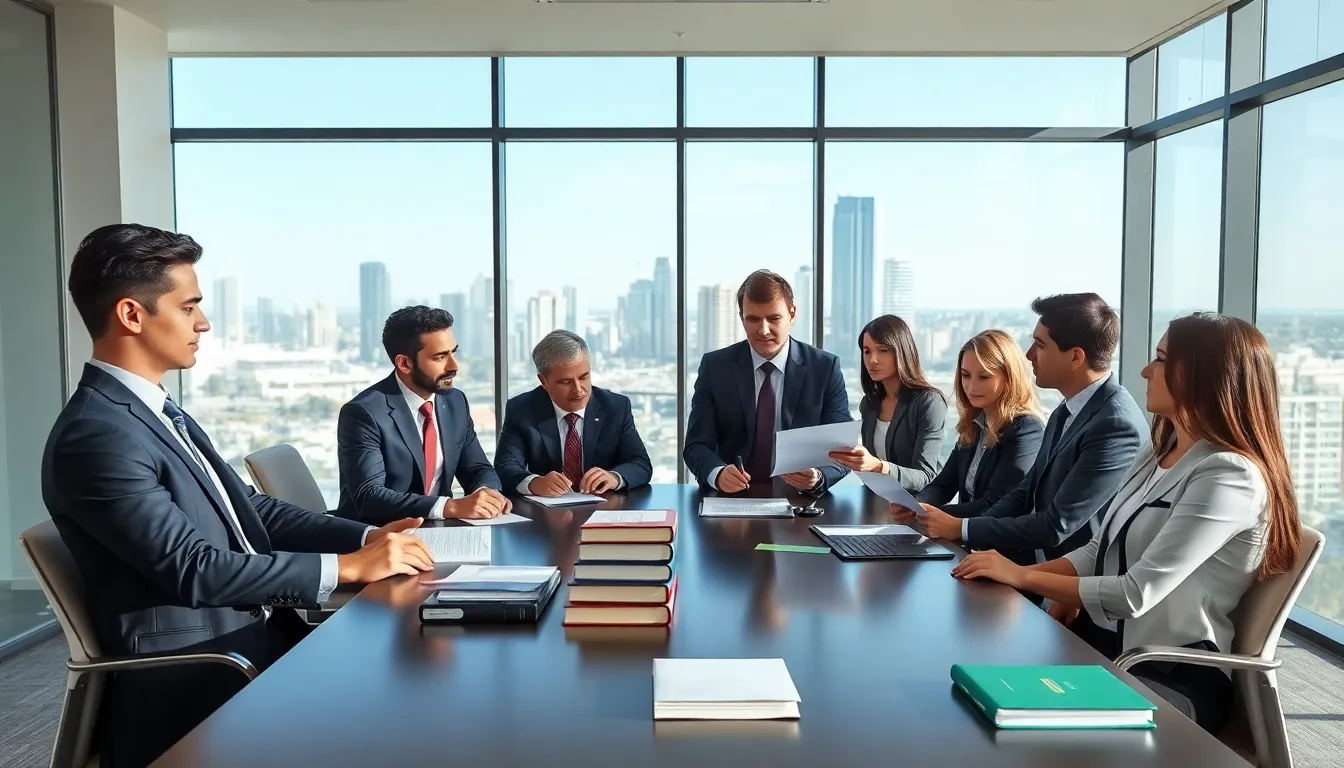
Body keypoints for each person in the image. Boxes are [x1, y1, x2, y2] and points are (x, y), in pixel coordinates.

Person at [43, 224, 434, 768]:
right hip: (200, 672)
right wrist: (346, 567)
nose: (203, 322)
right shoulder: (97, 435)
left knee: (425, 668)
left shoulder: (155, 413)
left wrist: (369, 537)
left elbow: (252, 510)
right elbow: (194, 569)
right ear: (132, 315)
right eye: (189, 307)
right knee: (417, 693)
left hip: (251, 639)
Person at [953, 313, 1301, 734]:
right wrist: (1003, 574)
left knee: (1020, 727)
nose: (1145, 370)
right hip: (1107, 644)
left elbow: (1135, 593)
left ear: (1207, 375)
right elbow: (1097, 550)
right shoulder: (1159, 452)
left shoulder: (1228, 475)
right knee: (973, 676)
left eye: (1161, 359)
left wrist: (1021, 576)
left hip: (1170, 671)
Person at [899, 293, 1147, 568]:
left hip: (1078, 583)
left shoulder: (1115, 424)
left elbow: (1055, 525)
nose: (1028, 355)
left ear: (1076, 357)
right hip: (1052, 575)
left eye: (1039, 345)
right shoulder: (1065, 412)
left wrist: (960, 528)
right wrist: (946, 521)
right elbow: (1022, 495)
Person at [337, 306, 509, 526]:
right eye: (440, 357)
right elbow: (369, 497)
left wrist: (487, 493)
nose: (454, 366)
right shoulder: (363, 413)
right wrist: (451, 506)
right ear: (404, 363)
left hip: (440, 532)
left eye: (453, 352)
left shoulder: (455, 402)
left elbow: (478, 468)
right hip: (379, 536)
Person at [684, 270, 851, 495]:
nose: (763, 330)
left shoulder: (825, 368)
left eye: (773, 318)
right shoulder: (715, 367)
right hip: (732, 502)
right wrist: (717, 473)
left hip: (802, 503)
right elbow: (696, 446)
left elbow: (843, 450)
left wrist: (818, 477)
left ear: (792, 314)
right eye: (753, 319)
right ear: (741, 317)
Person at [495, 330, 653, 496]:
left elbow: (640, 463)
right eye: (565, 382)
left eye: (584, 377)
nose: (578, 390)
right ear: (544, 381)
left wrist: (614, 477)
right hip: (547, 515)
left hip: (605, 510)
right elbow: (505, 466)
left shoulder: (615, 407)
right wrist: (533, 483)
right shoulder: (522, 409)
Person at [912, 329, 1045, 516]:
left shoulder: (1026, 429)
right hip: (964, 539)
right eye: (966, 375)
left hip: (998, 543)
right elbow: (943, 486)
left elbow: (996, 504)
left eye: (984, 377)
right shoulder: (974, 426)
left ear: (1009, 377)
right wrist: (916, 505)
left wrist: (934, 514)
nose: (972, 387)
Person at [828, 315, 948, 492]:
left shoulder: (929, 403)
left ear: (902, 352)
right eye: (867, 351)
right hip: (877, 501)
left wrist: (879, 466)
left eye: (883, 350)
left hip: (916, 507)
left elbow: (925, 476)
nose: (872, 360)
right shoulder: (869, 403)